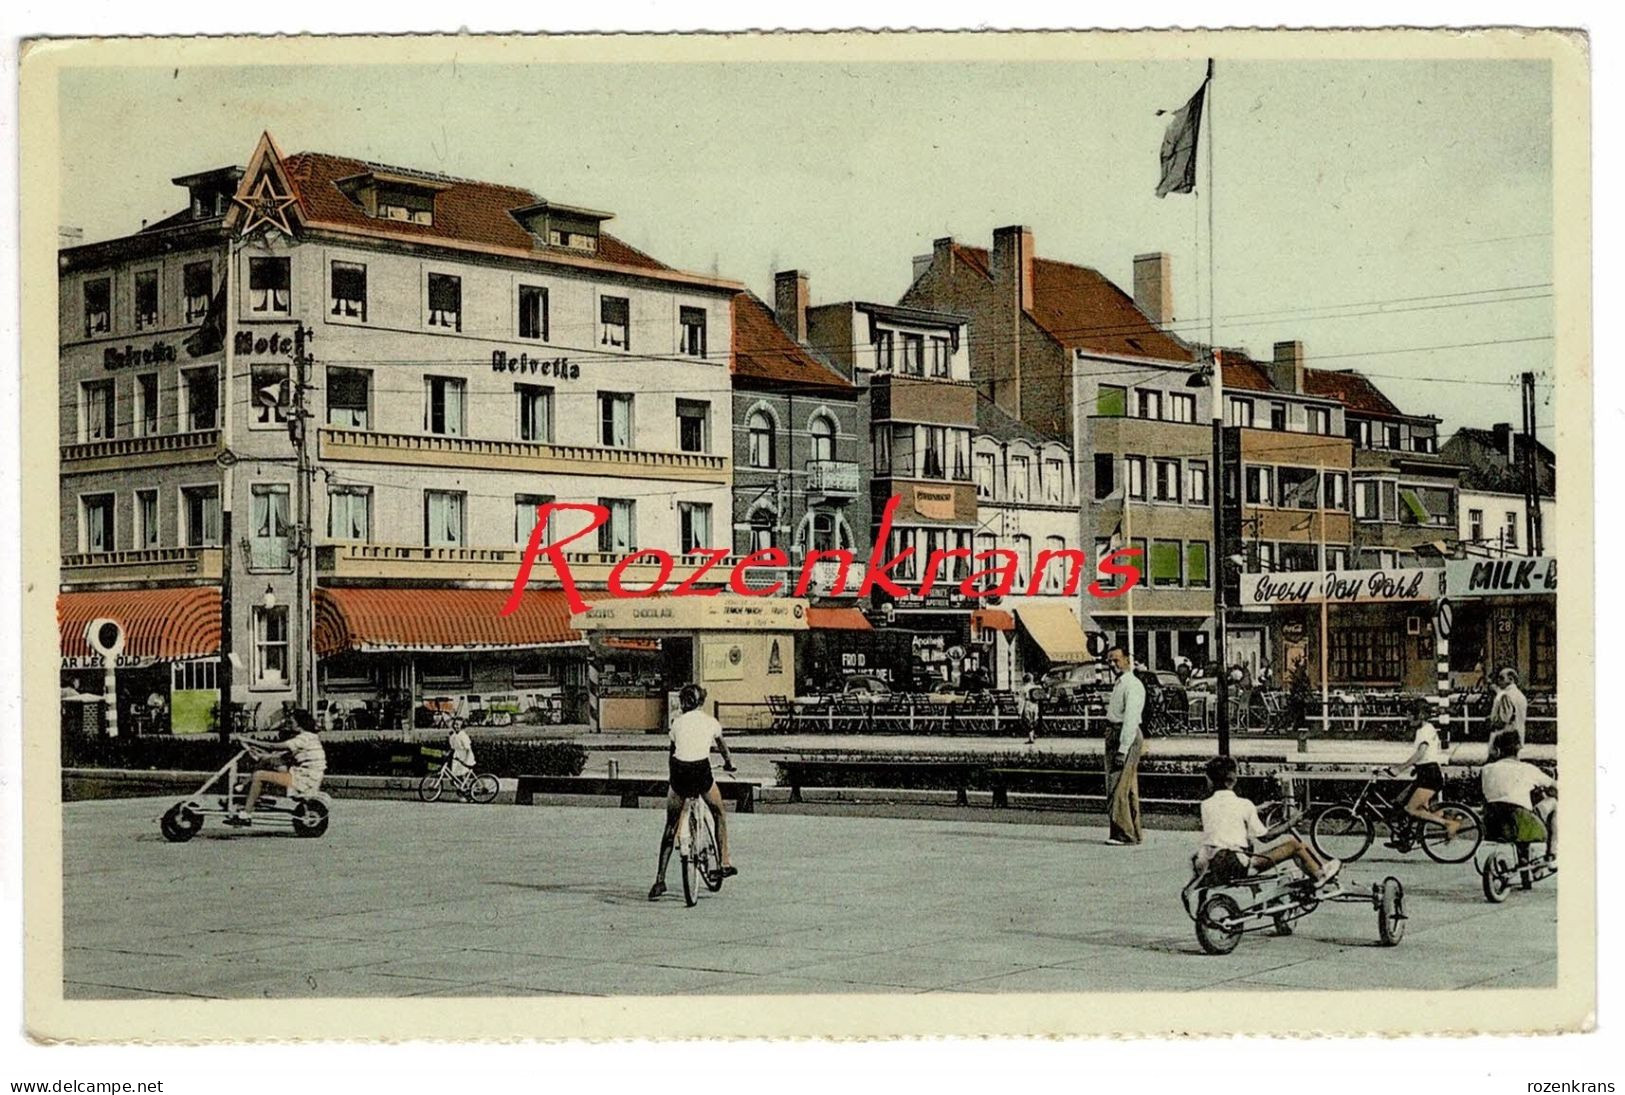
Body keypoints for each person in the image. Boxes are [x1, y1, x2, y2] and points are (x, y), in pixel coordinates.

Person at [649, 684, 738, 900]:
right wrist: (729, 763)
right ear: (702, 701)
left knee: (671, 825)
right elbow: (723, 748)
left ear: (682, 702)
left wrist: (674, 779)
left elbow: (672, 753)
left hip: (680, 773)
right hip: (700, 771)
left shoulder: (676, 723)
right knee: (718, 812)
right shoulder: (710, 722)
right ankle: (724, 862)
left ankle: (660, 879)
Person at [1195, 755, 1341, 887]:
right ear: (1234, 779)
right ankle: (1319, 875)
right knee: (1295, 845)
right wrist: (1292, 821)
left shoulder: (1205, 804)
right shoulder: (1245, 804)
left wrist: (1256, 809)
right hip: (1235, 864)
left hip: (1212, 862)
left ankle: (1313, 873)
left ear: (1211, 780)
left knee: (1248, 842)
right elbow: (1266, 837)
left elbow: (1226, 813)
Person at [225, 708, 327, 824]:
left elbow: (272, 746)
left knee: (259, 775)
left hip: (302, 780)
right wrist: (261, 754)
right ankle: (244, 788)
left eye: (292, 722)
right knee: (271, 760)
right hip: (305, 776)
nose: (289, 725)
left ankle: (246, 814)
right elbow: (279, 755)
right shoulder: (311, 737)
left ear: (299, 724)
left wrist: (248, 740)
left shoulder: (302, 739)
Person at [1382, 700, 1461, 841]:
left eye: (1410, 715)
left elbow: (1421, 753)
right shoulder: (1428, 728)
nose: (1407, 718)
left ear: (1420, 715)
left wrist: (1400, 768)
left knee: (1411, 808)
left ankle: (1449, 823)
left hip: (1429, 776)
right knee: (1401, 802)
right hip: (1425, 773)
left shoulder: (1424, 731)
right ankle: (1406, 836)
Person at [1481, 728, 1557, 857]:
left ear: (1498, 749)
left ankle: (1524, 861)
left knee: (1516, 807)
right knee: (1554, 803)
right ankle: (1552, 853)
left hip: (1492, 823)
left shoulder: (1486, 769)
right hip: (1520, 821)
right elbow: (1555, 786)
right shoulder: (1527, 769)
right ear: (1518, 749)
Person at [1103, 646, 1145, 846]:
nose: (1112, 665)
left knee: (1117, 787)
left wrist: (1122, 749)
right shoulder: (1120, 684)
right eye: (1109, 661)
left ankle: (1123, 834)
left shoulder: (1132, 685)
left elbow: (1130, 719)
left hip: (1124, 734)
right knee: (1127, 787)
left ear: (1128, 660)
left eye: (1116, 660)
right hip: (1116, 732)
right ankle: (1133, 832)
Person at [1489, 667, 1529, 746]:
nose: (1498, 681)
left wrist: (1492, 721)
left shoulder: (1505, 696)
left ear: (1511, 679)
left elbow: (1504, 719)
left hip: (1505, 739)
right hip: (1518, 737)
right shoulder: (1521, 696)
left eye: (1501, 678)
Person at [1017, 673, 1041, 745]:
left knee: (1028, 720)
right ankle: (1033, 735)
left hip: (1027, 704)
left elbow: (1021, 700)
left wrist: (1020, 711)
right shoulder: (1036, 687)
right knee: (1034, 720)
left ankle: (1031, 737)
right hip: (1035, 705)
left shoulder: (1023, 688)